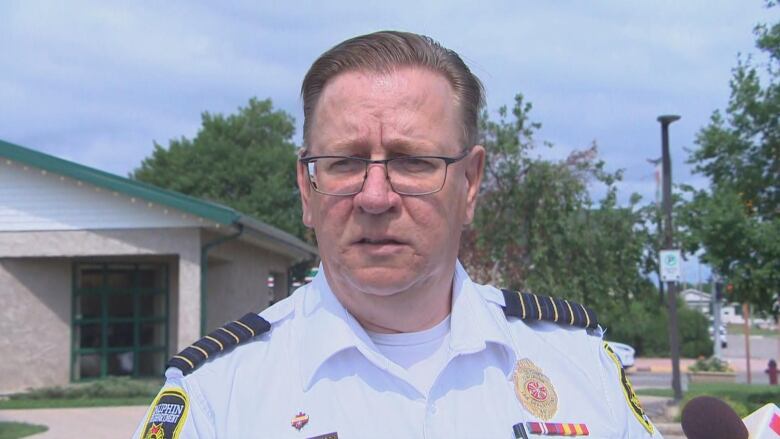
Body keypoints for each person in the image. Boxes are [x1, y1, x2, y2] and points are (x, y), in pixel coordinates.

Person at [134, 31, 662, 439]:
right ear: (306, 187)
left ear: (471, 183)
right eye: (344, 162)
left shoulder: (580, 368)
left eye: (413, 162)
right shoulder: (215, 395)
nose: (375, 197)